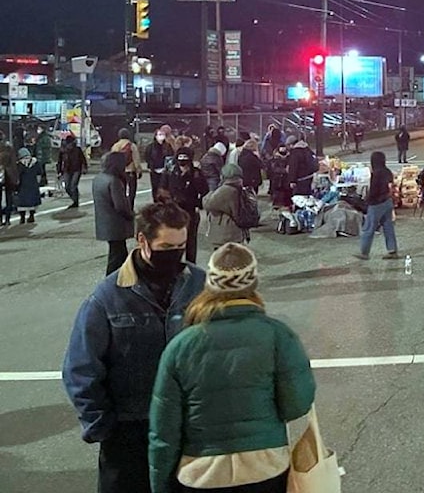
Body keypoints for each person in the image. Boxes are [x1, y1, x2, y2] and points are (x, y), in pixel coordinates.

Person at [148, 243, 315, 493]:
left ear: (210, 285)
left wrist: (160, 484)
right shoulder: (278, 335)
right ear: (252, 284)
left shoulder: (180, 346)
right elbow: (296, 405)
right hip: (265, 468)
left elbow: (164, 430)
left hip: (201, 472)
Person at [63, 201, 203, 493]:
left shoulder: (199, 285)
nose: (176, 255)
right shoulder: (106, 297)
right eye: (166, 247)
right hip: (129, 429)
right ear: (142, 241)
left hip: (188, 427)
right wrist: (103, 427)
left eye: (181, 246)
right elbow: (81, 369)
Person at [160, 147, 208, 263]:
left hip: (190, 211)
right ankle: (175, 264)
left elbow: (204, 191)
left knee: (190, 241)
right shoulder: (170, 172)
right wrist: (168, 202)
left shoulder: (196, 173)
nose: (182, 162)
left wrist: (197, 203)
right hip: (173, 211)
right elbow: (162, 190)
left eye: (185, 159)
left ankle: (191, 266)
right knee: (174, 239)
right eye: (180, 158)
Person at [94, 152, 137, 275]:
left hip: (104, 222)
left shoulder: (99, 179)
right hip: (115, 225)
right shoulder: (114, 181)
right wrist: (131, 214)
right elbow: (120, 206)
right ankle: (111, 283)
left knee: (120, 254)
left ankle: (126, 278)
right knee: (116, 257)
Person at [355, 151, 399, 260]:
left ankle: (364, 252)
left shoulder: (376, 173)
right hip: (387, 201)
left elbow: (374, 190)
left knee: (369, 227)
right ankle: (392, 250)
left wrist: (367, 201)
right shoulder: (387, 171)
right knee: (388, 226)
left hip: (377, 203)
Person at [202, 163, 246, 247]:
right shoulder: (239, 186)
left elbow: (207, 204)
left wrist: (212, 191)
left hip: (226, 231)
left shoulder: (226, 189)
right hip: (237, 230)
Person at [110, 128, 143, 210]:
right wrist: (139, 170)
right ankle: (130, 207)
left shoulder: (115, 146)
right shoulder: (131, 145)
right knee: (132, 190)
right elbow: (136, 159)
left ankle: (122, 207)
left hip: (119, 172)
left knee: (121, 190)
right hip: (130, 171)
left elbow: (112, 160)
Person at [57, 133, 88, 207]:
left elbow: (83, 159)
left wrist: (84, 167)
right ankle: (74, 198)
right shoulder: (63, 151)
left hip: (76, 169)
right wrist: (59, 171)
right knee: (67, 186)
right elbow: (59, 161)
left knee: (73, 186)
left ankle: (75, 201)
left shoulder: (77, 149)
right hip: (67, 170)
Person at [144, 128, 174, 202]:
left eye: (163, 135)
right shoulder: (150, 147)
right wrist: (151, 166)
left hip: (165, 171)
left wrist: (167, 167)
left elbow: (171, 157)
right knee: (155, 187)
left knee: (165, 188)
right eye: (159, 135)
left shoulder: (168, 146)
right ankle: (156, 203)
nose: (161, 136)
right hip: (154, 171)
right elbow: (147, 157)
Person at [15, 147, 43, 224]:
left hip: (23, 186)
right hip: (33, 185)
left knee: (22, 203)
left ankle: (22, 218)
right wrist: (37, 183)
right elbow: (39, 174)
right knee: (32, 202)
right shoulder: (35, 162)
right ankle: (31, 216)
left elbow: (17, 176)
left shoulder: (19, 164)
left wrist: (16, 185)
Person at [0, 139, 18, 226]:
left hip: (1, 174)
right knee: (9, 198)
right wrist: (15, 177)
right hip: (8, 175)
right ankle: (7, 219)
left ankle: (0, 220)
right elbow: (13, 164)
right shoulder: (9, 148)